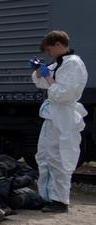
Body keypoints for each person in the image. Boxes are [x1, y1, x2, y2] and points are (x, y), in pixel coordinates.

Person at [31, 30, 88, 213]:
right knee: (44, 156)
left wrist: (48, 77)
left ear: (58, 44)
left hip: (63, 116)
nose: (48, 54)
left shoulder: (73, 64)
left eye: (49, 50)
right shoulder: (60, 63)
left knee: (60, 158)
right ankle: (46, 196)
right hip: (53, 115)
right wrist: (40, 73)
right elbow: (44, 84)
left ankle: (60, 200)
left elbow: (64, 93)